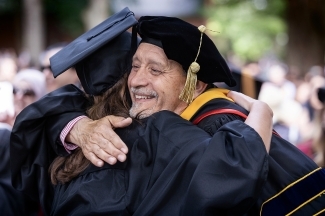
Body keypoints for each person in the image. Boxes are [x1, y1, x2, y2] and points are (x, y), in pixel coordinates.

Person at [11, 9, 325, 215]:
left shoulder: (213, 125)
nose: (140, 80)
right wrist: (262, 111)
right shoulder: (146, 130)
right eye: (134, 67)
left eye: (156, 70)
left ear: (195, 83)